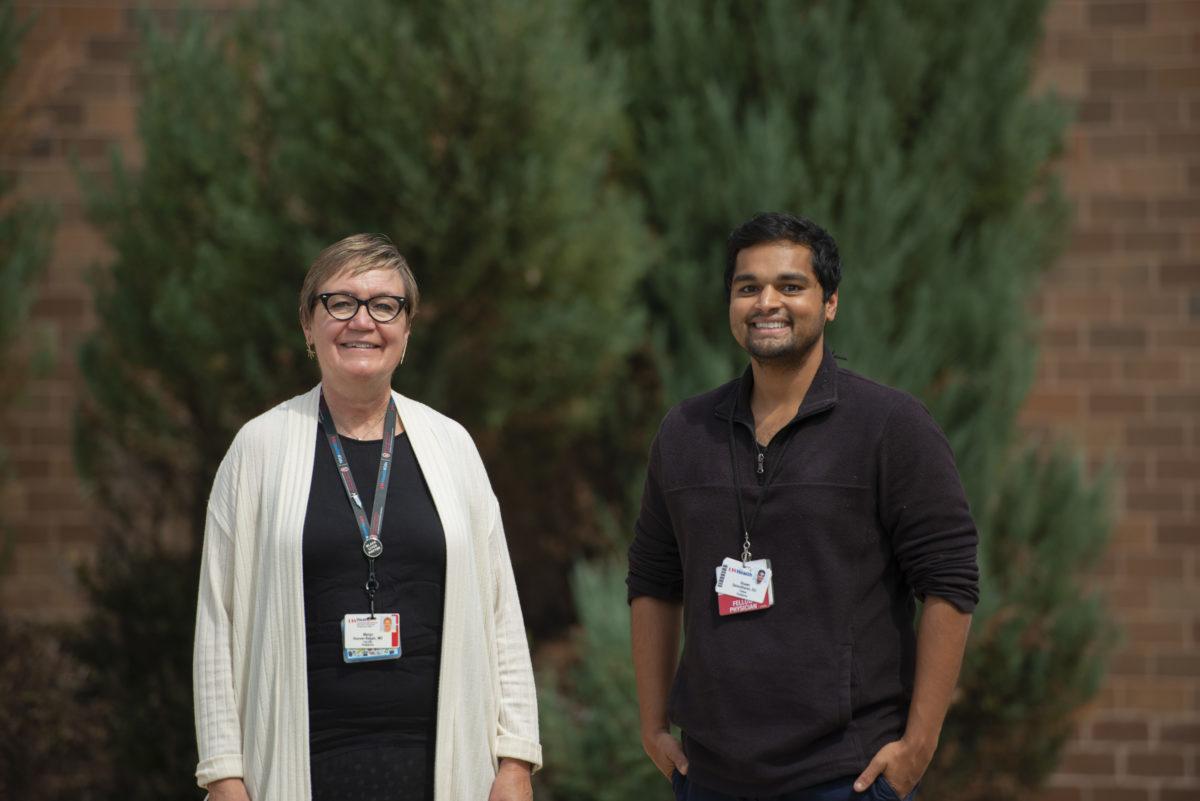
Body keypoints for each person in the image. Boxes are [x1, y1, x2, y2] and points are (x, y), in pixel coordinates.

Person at [626, 212, 978, 801]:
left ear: (830, 301)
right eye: (748, 287)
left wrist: (918, 746)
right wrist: (652, 724)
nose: (767, 302)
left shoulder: (891, 426)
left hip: (847, 778)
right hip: (710, 777)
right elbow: (652, 580)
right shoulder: (685, 432)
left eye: (791, 286)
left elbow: (950, 581)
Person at [193, 233, 541, 801]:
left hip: (445, 772)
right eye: (340, 303)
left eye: (384, 305)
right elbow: (217, 621)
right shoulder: (257, 449)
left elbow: (501, 610)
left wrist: (517, 758)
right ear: (308, 325)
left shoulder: (452, 446)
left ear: (406, 331)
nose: (362, 321)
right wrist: (224, 775)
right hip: (298, 769)